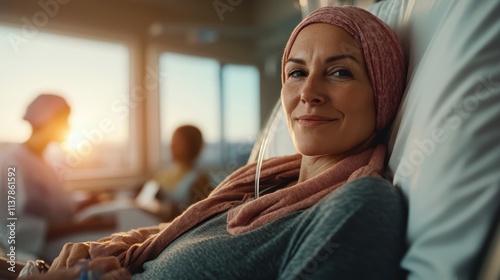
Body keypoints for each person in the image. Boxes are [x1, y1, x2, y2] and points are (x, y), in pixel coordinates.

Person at [44, 5, 407, 279]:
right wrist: (94, 255)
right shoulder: (255, 186)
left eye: (340, 72)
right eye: (297, 72)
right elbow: (168, 234)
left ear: (383, 92)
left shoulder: (359, 204)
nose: (308, 93)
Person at [0, 94, 116, 262]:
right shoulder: (12, 161)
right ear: (46, 119)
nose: (69, 126)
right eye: (64, 120)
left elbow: (53, 206)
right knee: (111, 243)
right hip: (36, 251)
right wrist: (82, 226)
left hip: (56, 241)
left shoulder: (42, 160)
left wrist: (87, 201)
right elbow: (14, 227)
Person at [151, 125, 212, 219]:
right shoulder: (162, 174)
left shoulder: (200, 180)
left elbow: (199, 217)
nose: (171, 146)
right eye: (172, 141)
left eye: (177, 142)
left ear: (191, 146)